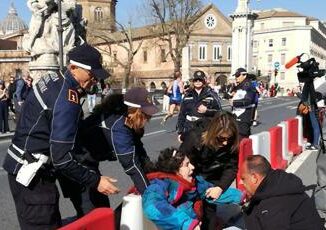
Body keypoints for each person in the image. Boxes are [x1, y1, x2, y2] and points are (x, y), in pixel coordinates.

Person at [2, 43, 120, 230]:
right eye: (91, 74)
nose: (95, 80)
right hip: (33, 176)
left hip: (24, 164)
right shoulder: (67, 99)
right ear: (73, 67)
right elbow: (62, 159)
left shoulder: (54, 78)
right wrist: (96, 181)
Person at [142, 148, 243, 230]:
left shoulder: (195, 182)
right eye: (187, 165)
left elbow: (211, 192)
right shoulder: (161, 184)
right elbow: (152, 207)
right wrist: (188, 224)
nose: (193, 167)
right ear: (175, 170)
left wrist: (241, 196)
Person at [180, 111, 239, 230]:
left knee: (209, 214)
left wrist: (220, 187)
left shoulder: (231, 145)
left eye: (229, 139)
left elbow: (231, 167)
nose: (225, 143)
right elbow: (180, 162)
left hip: (213, 179)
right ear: (213, 133)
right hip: (192, 177)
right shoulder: (195, 137)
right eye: (221, 139)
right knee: (191, 214)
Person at [240, 155, 324, 230]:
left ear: (254, 177)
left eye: (243, 179)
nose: (241, 182)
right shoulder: (278, 185)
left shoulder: (272, 205)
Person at [177, 70, 222, 141]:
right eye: (196, 80)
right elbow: (182, 114)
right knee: (188, 151)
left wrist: (207, 111)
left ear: (203, 81)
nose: (198, 82)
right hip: (189, 128)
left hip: (205, 129)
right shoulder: (188, 95)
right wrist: (180, 132)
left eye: (200, 80)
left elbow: (220, 112)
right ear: (193, 81)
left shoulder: (211, 94)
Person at [230, 68, 256, 140]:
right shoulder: (240, 85)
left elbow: (248, 100)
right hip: (236, 114)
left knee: (242, 138)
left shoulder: (248, 85)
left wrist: (235, 103)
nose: (236, 77)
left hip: (244, 117)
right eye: (235, 75)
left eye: (238, 75)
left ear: (244, 75)